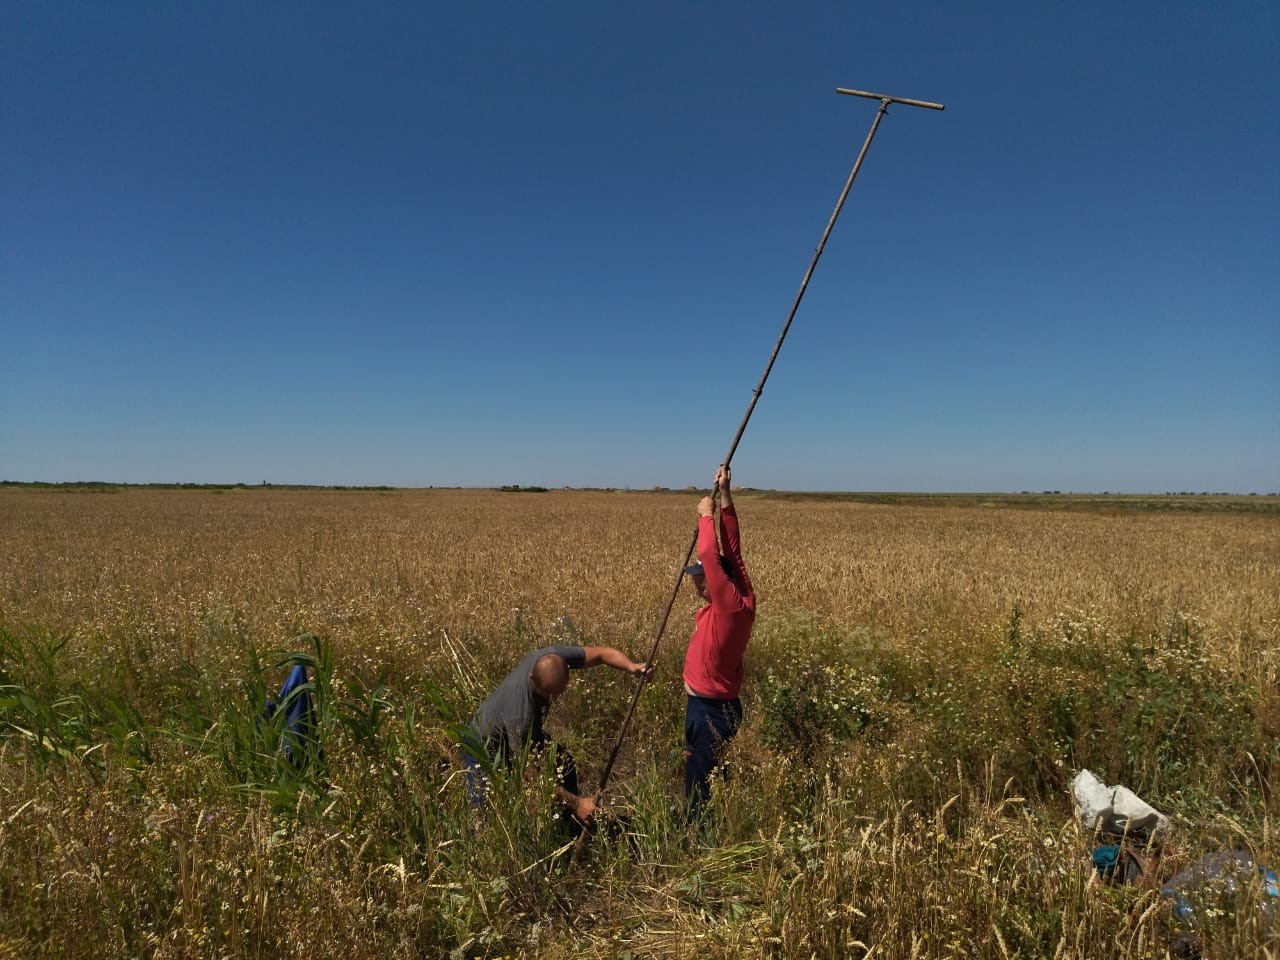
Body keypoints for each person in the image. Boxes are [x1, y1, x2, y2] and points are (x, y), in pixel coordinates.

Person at [462, 643, 651, 830]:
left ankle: (571, 827)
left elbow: (601, 654)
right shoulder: (521, 714)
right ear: (532, 679)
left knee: (565, 764)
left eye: (558, 693)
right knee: (482, 811)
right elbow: (528, 774)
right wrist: (577, 803)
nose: (554, 700)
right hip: (483, 746)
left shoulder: (552, 657)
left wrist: (631, 666)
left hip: (523, 734)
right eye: (549, 695)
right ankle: (478, 849)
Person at [682, 464, 756, 816]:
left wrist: (704, 517)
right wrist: (725, 495)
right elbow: (733, 552)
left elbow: (712, 556)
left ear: (716, 582)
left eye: (700, 578)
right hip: (721, 706)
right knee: (713, 773)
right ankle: (714, 819)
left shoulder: (727, 608)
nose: (697, 581)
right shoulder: (741, 597)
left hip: (709, 709)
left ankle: (696, 839)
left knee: (698, 783)